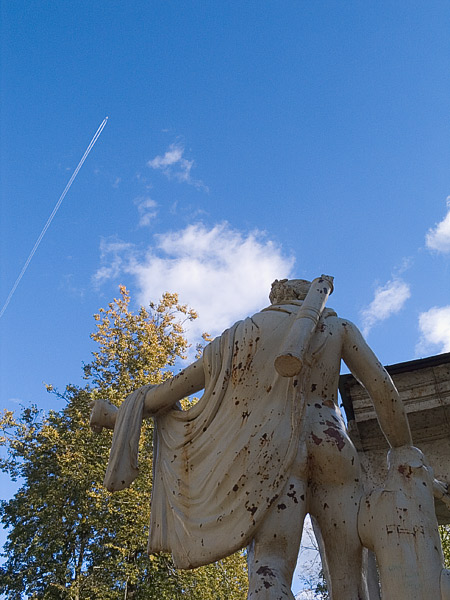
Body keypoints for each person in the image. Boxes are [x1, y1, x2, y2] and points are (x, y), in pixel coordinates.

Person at [93, 278, 413, 600]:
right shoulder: (336, 327)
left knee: (269, 568)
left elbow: (165, 394)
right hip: (332, 444)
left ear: (276, 299)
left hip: (268, 450)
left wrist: (119, 417)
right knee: (350, 583)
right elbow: (382, 389)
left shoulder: (237, 338)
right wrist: (403, 450)